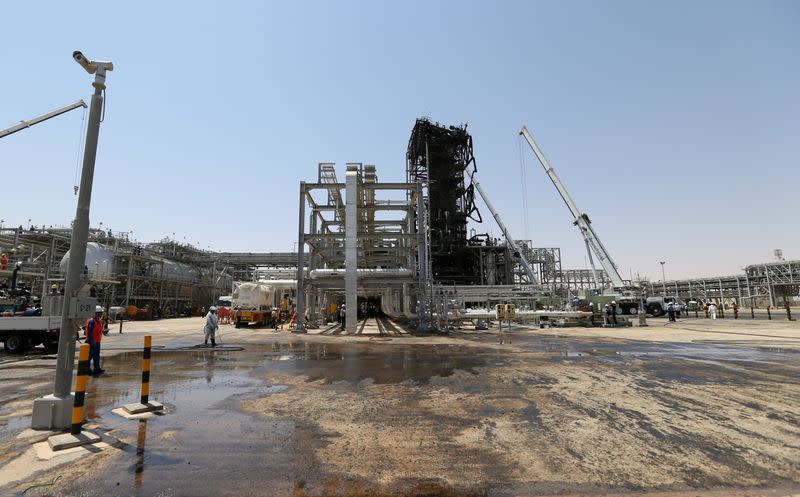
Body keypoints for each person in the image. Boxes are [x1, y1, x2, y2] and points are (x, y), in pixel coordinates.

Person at [85, 306, 106, 375]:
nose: (101, 314)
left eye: (101, 313)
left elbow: (97, 330)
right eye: (100, 313)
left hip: (97, 341)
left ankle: (97, 368)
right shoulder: (91, 321)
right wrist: (92, 340)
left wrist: (103, 331)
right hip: (92, 342)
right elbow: (89, 332)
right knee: (90, 356)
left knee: (96, 355)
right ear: (96, 313)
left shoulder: (99, 321)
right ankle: (87, 369)